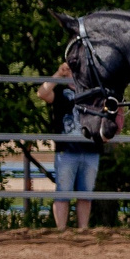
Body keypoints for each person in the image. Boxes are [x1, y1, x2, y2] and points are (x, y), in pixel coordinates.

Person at [35, 63, 97, 229]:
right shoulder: (61, 93)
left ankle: (83, 229)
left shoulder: (93, 93)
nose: (73, 72)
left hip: (90, 149)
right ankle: (61, 231)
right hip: (66, 150)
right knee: (63, 192)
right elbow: (42, 93)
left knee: (86, 193)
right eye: (70, 68)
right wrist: (58, 73)